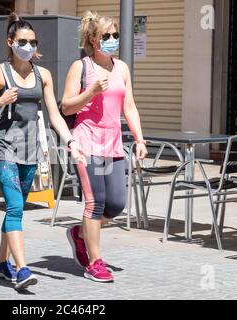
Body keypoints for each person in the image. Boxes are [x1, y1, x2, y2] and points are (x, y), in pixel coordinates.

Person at [0, 13, 86, 291]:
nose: (29, 46)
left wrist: (70, 141)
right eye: (23, 41)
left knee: (15, 209)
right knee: (14, 207)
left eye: (33, 42)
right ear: (10, 42)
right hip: (3, 148)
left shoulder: (42, 75)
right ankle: (21, 269)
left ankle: (0, 264)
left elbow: (55, 114)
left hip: (31, 149)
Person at [61, 11, 148, 283]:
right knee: (95, 202)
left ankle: (79, 233)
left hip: (113, 144)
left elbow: (129, 106)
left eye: (115, 35)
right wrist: (91, 92)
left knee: (116, 204)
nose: (112, 40)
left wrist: (139, 139)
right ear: (93, 39)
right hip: (87, 142)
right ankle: (94, 262)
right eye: (106, 36)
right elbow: (65, 106)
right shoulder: (81, 67)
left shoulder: (121, 67)